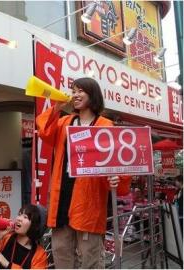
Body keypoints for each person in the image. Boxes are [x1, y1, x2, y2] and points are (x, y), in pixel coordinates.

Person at [36, 77, 131, 268]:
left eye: (81, 91)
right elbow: (44, 131)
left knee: (90, 259)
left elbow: (115, 162)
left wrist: (115, 179)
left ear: (92, 94)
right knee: (61, 254)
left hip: (89, 201)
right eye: (73, 91)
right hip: (62, 196)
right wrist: (56, 107)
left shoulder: (105, 125)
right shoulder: (64, 121)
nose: (75, 95)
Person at [0, 204, 48, 269]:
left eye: (25, 217)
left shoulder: (39, 254)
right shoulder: (5, 239)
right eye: (19, 214)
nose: (18, 219)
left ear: (35, 226)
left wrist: (8, 265)